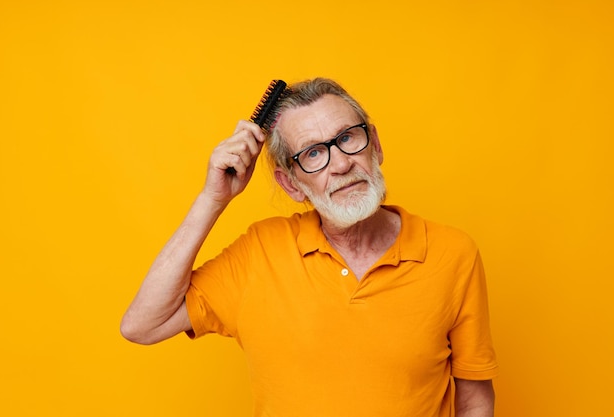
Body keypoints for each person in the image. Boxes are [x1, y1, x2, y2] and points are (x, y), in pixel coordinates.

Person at [121, 78, 498, 417]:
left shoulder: (452, 254)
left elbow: (474, 398)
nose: (340, 164)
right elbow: (142, 324)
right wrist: (212, 199)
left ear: (376, 145)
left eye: (347, 137)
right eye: (313, 154)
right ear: (292, 185)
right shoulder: (260, 252)